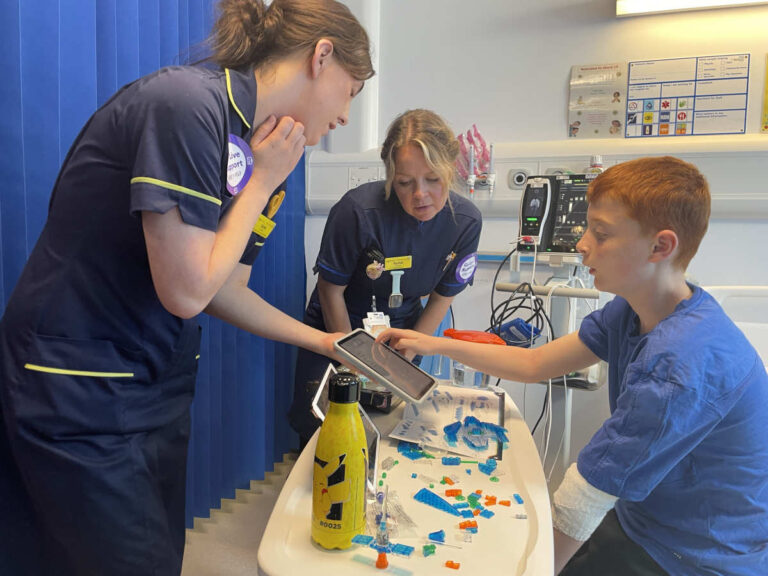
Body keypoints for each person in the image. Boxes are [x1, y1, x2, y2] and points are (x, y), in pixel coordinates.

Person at [0, 1, 373, 575]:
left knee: (156, 557)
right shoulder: (188, 107)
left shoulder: (260, 149)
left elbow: (225, 288)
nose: (348, 115)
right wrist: (262, 182)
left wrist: (325, 343)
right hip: (79, 386)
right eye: (351, 90)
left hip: (151, 382)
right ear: (321, 56)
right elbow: (187, 292)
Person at [377, 156, 768, 576]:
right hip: (644, 520)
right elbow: (535, 362)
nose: (581, 243)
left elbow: (586, 496)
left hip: (696, 557)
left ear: (660, 246)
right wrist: (431, 343)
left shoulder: (679, 365)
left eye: (600, 234)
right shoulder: (635, 311)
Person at [288, 109, 482, 447]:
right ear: (390, 175)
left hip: (403, 330)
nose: (420, 194)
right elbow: (330, 291)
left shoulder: (465, 222)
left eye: (433, 179)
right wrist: (352, 360)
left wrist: (408, 355)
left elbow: (440, 299)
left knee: (391, 431)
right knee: (325, 435)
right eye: (405, 182)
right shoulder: (357, 212)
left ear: (451, 169)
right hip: (338, 325)